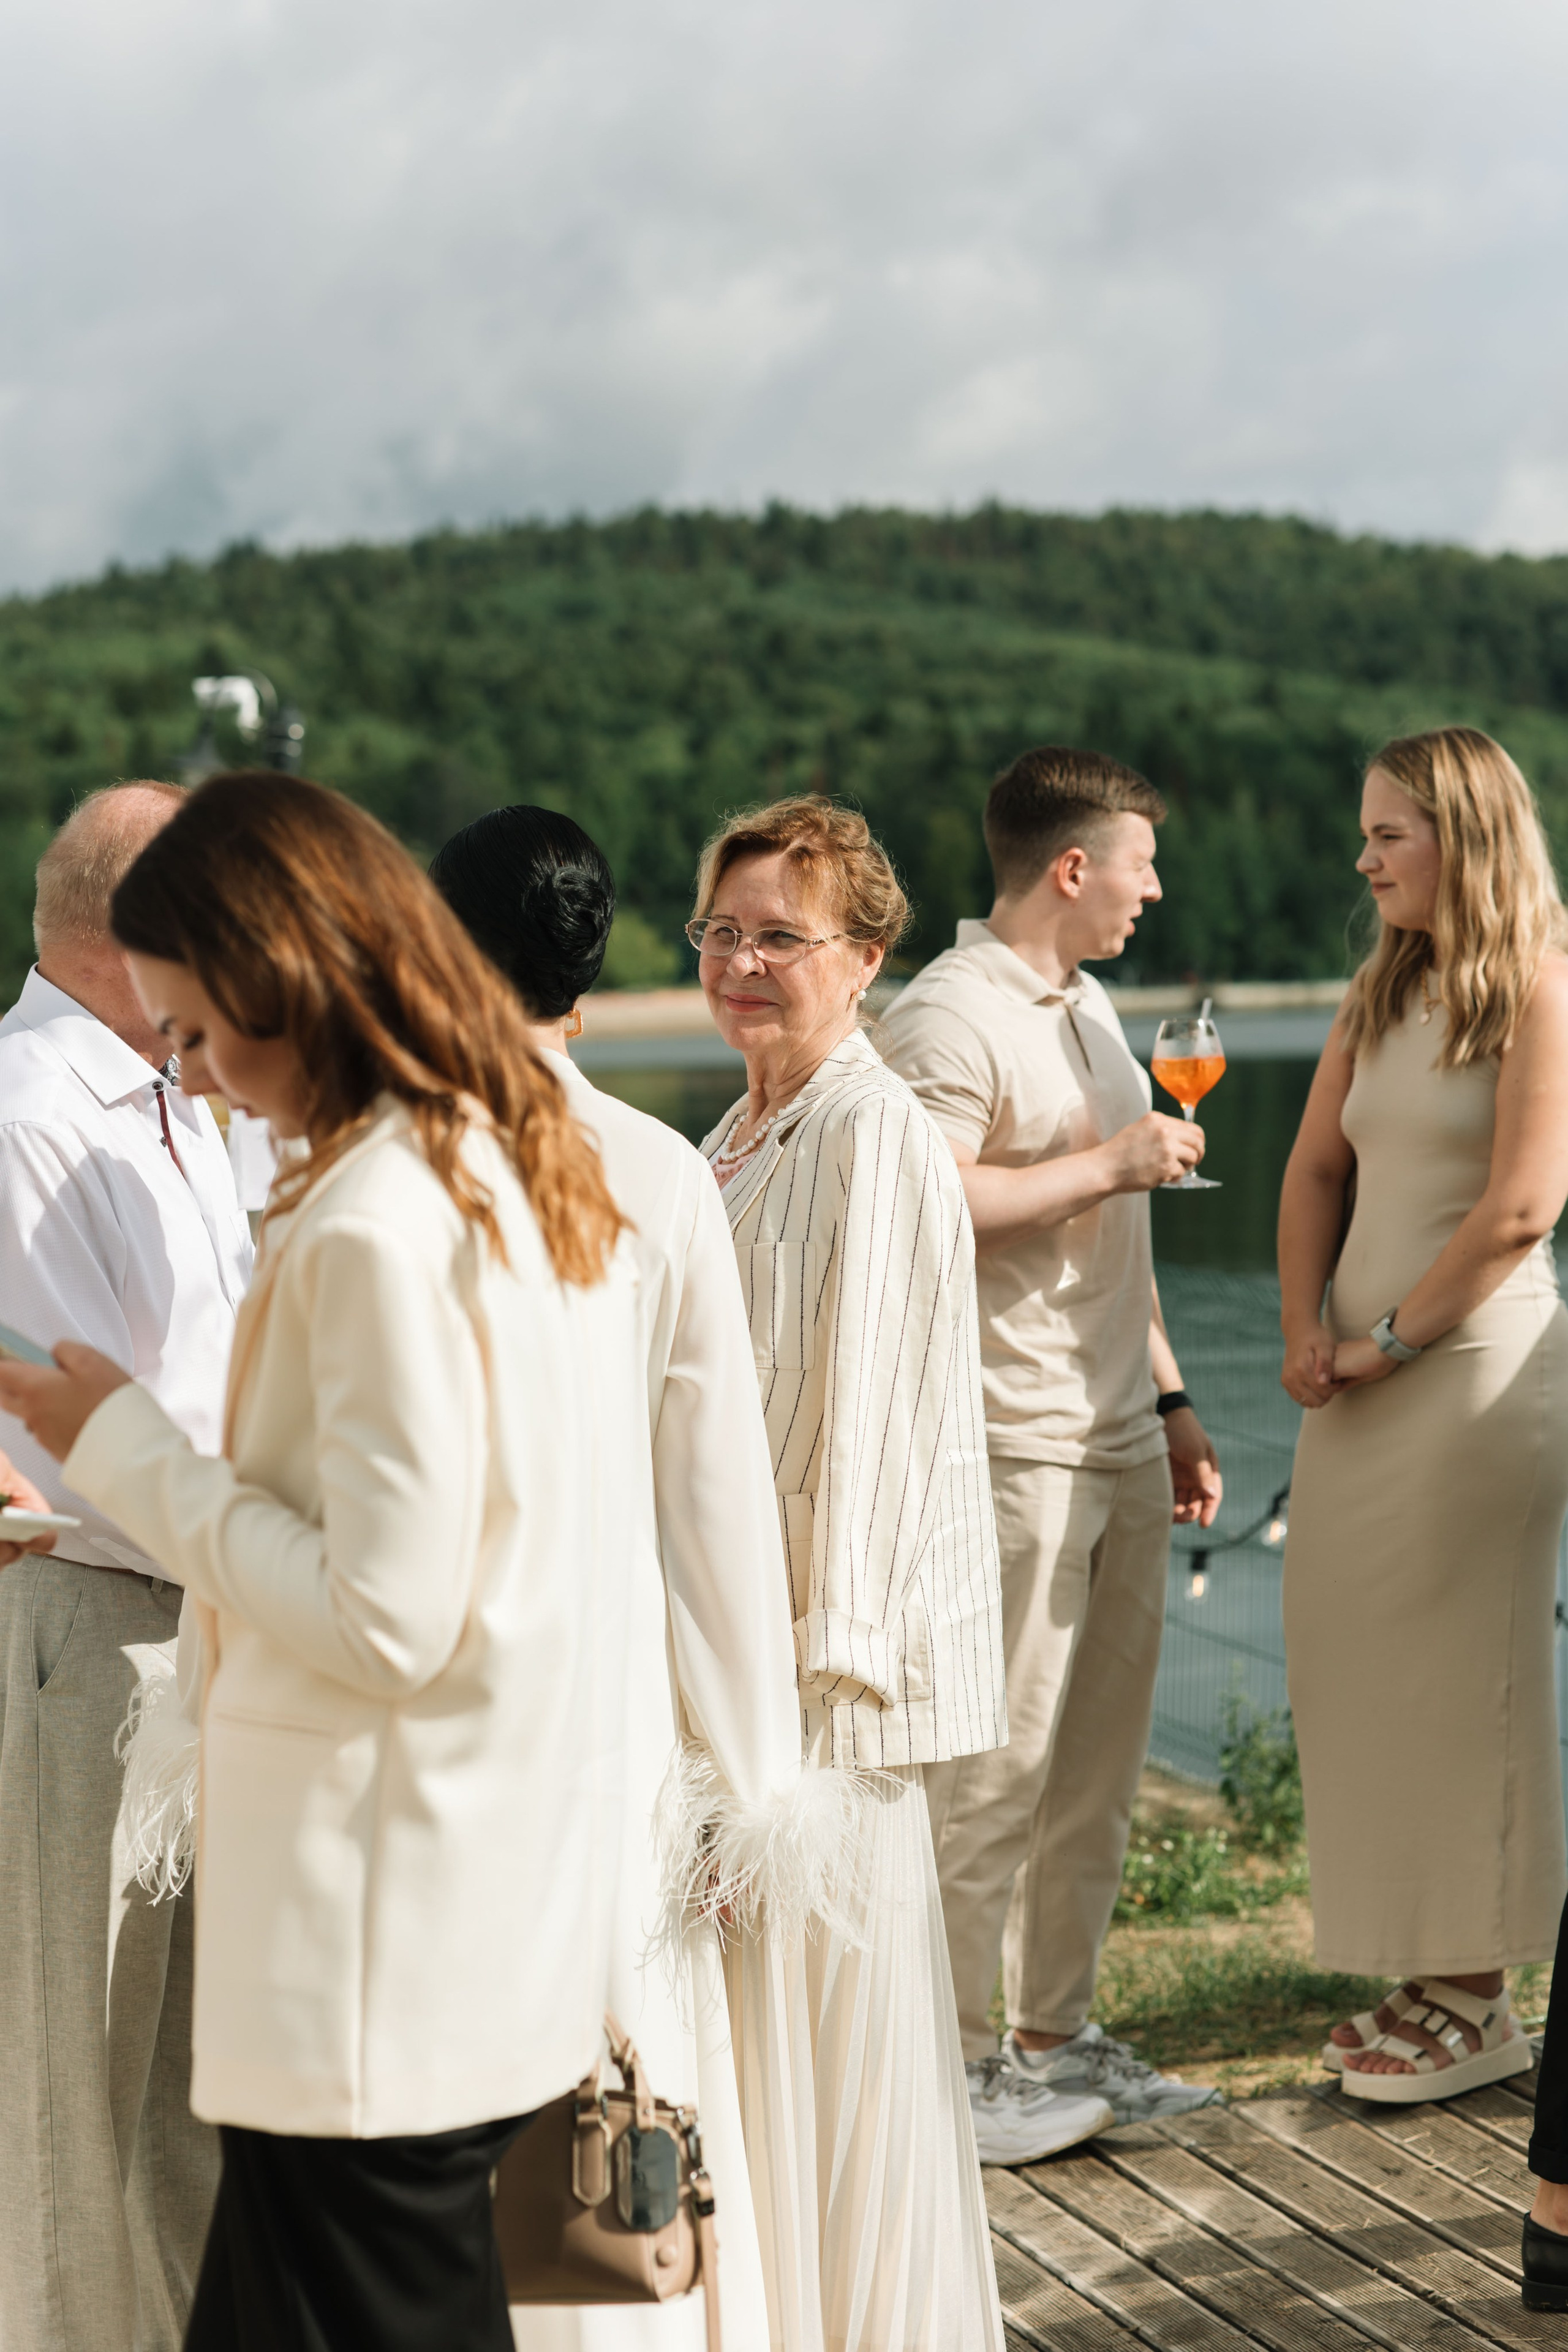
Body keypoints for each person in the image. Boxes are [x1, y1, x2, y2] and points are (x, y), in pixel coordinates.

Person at [0, 769, 644, 2351]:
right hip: (454, 1893)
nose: (198, 1082)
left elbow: (389, 1612)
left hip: (372, 1939)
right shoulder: (497, 1164)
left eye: (201, 1035)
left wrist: (119, 1449)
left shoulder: (371, 1220)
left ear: (285, 977)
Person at [431, 804, 831, 2352]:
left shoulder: (383, 1159)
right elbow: (715, 1500)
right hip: (613, 1715)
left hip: (442, 1708)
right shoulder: (661, 1173)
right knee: (624, 2084)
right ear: (589, 977)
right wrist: (755, 1775)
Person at [693, 793, 1042, 2352]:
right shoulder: (734, 1130)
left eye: (783, 935)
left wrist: (803, 1701)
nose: (744, 962)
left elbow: (885, 1433)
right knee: (758, 2068)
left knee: (835, 2066)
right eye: (722, 931)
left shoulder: (876, 1129)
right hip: (728, 1680)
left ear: (866, 954)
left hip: (818, 1701)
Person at [881, 745, 1224, 2134]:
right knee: (994, 1775)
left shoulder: (1084, 1009)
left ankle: (1057, 2035)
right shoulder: (944, 1017)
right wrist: (1111, 1160)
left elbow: (1109, 1249)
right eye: (1139, 865)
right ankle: (957, 2073)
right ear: (1072, 868)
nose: (1152, 890)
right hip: (1005, 1440)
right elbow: (925, 1207)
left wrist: (1172, 1400)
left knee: (1094, 1770)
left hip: (1112, 1436)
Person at [1279, 724, 1568, 2105]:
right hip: (1360, 1379)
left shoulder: (1537, 986)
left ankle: (1480, 1988)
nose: (1363, 855)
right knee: (1359, 1670)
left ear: (1458, 835)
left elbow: (1520, 1206)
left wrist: (1388, 1339)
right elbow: (1310, 1173)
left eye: (1385, 831)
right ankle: (1422, 1957)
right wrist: (1300, 1330)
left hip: (1467, 1384)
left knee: (1466, 1678)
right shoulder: (1378, 985)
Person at [0, 782, 252, 2352]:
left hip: (194, 1627)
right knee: (76, 2100)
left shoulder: (171, 1104)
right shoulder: (27, 1113)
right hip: (91, 1628)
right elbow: (76, 1435)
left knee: (183, 2102)